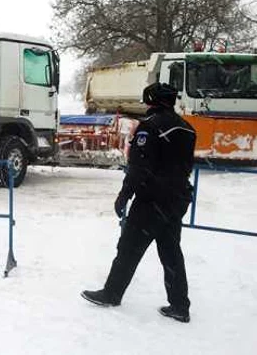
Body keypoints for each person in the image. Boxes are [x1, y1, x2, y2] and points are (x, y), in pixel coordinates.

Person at [81, 82, 197, 323]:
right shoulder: (188, 129)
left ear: (151, 100)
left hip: (152, 199)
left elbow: (139, 168)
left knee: (129, 248)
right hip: (177, 199)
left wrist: (124, 196)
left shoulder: (149, 127)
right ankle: (179, 305)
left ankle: (112, 293)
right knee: (171, 251)